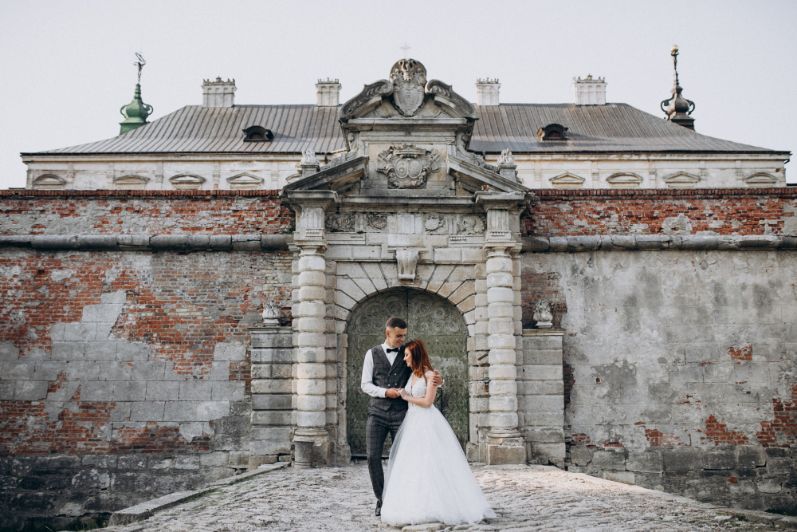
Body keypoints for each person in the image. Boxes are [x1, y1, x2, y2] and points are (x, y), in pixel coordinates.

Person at [380, 339, 496, 526]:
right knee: (413, 463)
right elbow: (410, 393)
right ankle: (414, 503)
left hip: (426, 422)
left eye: (407, 355)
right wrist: (402, 392)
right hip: (412, 422)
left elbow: (427, 402)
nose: (404, 359)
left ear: (415, 355)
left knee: (430, 461)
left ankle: (439, 504)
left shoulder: (430, 375)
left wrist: (407, 396)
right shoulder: (412, 375)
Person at [360, 317, 441, 517]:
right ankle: (381, 499)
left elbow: (422, 372)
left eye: (403, 335)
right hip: (377, 412)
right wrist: (386, 393)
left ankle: (400, 499)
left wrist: (439, 379)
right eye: (398, 336)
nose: (401, 339)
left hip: (402, 414)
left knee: (402, 459)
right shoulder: (371, 354)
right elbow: (365, 385)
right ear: (388, 332)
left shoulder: (407, 353)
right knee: (372, 457)